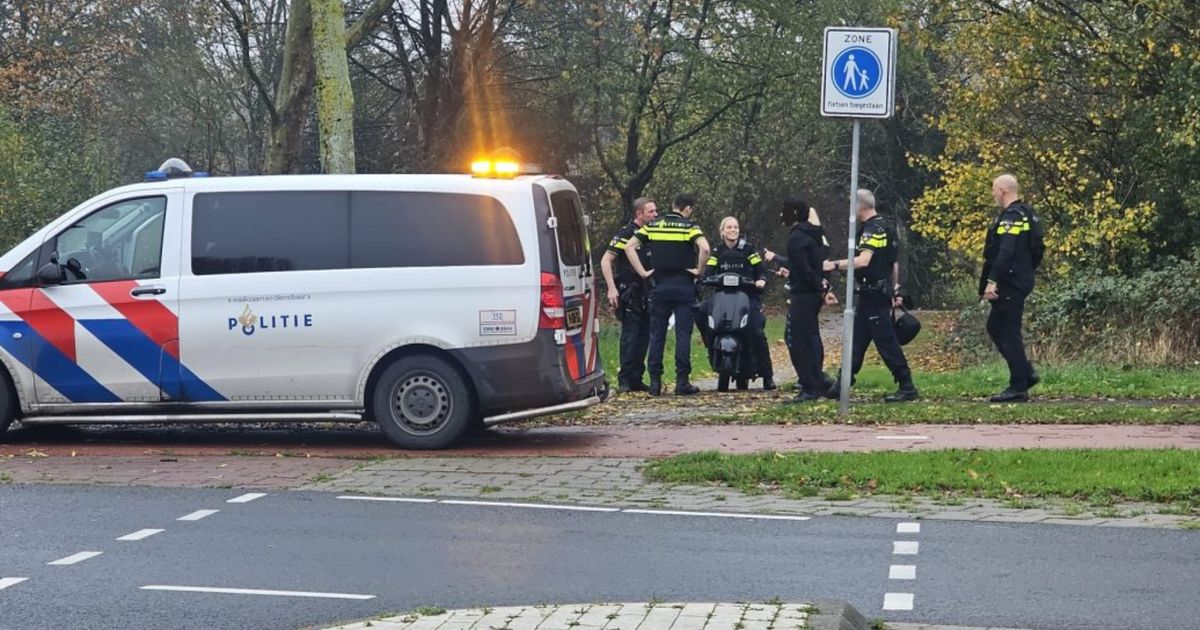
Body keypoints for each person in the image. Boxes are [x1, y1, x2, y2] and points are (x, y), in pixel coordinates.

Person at [825, 189, 919, 403]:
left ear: (859, 206)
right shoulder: (886, 227)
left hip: (874, 295)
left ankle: (907, 386)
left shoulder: (872, 230)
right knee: (856, 341)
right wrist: (895, 288)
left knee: (886, 343)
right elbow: (893, 263)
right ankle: (842, 383)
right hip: (875, 293)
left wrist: (834, 265)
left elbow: (863, 260)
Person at [625, 194, 711, 396]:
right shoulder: (690, 227)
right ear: (687, 209)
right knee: (683, 334)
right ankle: (682, 382)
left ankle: (655, 383)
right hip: (684, 286)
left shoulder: (654, 226)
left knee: (657, 335)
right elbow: (705, 248)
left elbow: (629, 247)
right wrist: (699, 271)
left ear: (673, 206)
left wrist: (643, 273)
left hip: (659, 286)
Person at [766, 198, 837, 402]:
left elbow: (804, 269)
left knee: (796, 340)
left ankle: (808, 385)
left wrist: (816, 286)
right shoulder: (813, 235)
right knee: (811, 336)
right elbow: (812, 265)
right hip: (812, 295)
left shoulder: (796, 238)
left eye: (785, 211)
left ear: (795, 213)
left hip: (803, 295)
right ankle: (819, 379)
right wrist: (821, 288)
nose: (782, 215)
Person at [981, 174, 1043, 403]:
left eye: (994, 189)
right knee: (996, 327)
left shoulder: (1011, 217)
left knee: (1007, 331)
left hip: (1009, 281)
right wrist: (1027, 271)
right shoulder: (1028, 214)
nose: (993, 194)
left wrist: (993, 280)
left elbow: (1005, 250)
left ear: (1002, 190)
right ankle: (1025, 373)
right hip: (1020, 279)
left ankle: (1019, 385)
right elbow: (1038, 249)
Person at [700, 216, 775, 390]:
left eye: (735, 227)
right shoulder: (718, 251)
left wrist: (761, 280)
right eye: (729, 227)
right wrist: (704, 279)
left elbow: (760, 270)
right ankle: (712, 347)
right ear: (722, 231)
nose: (733, 230)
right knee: (700, 312)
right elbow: (709, 271)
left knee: (756, 332)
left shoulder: (749, 250)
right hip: (723, 298)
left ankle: (767, 376)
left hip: (747, 299)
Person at [600, 197, 659, 393]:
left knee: (644, 336)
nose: (655, 215)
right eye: (651, 212)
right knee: (630, 336)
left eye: (656, 211)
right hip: (630, 291)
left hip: (648, 290)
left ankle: (636, 378)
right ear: (639, 214)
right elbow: (606, 260)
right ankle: (625, 380)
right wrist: (611, 288)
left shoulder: (652, 233)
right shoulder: (627, 233)